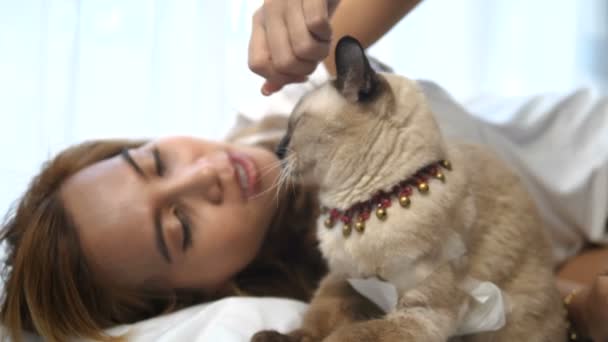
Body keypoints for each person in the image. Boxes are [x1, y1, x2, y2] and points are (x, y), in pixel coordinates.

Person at [0, 1, 606, 342]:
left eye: (157, 160)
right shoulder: (340, 299)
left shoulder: (290, 96)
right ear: (188, 295)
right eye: (179, 225)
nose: (200, 176)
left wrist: (312, 8)